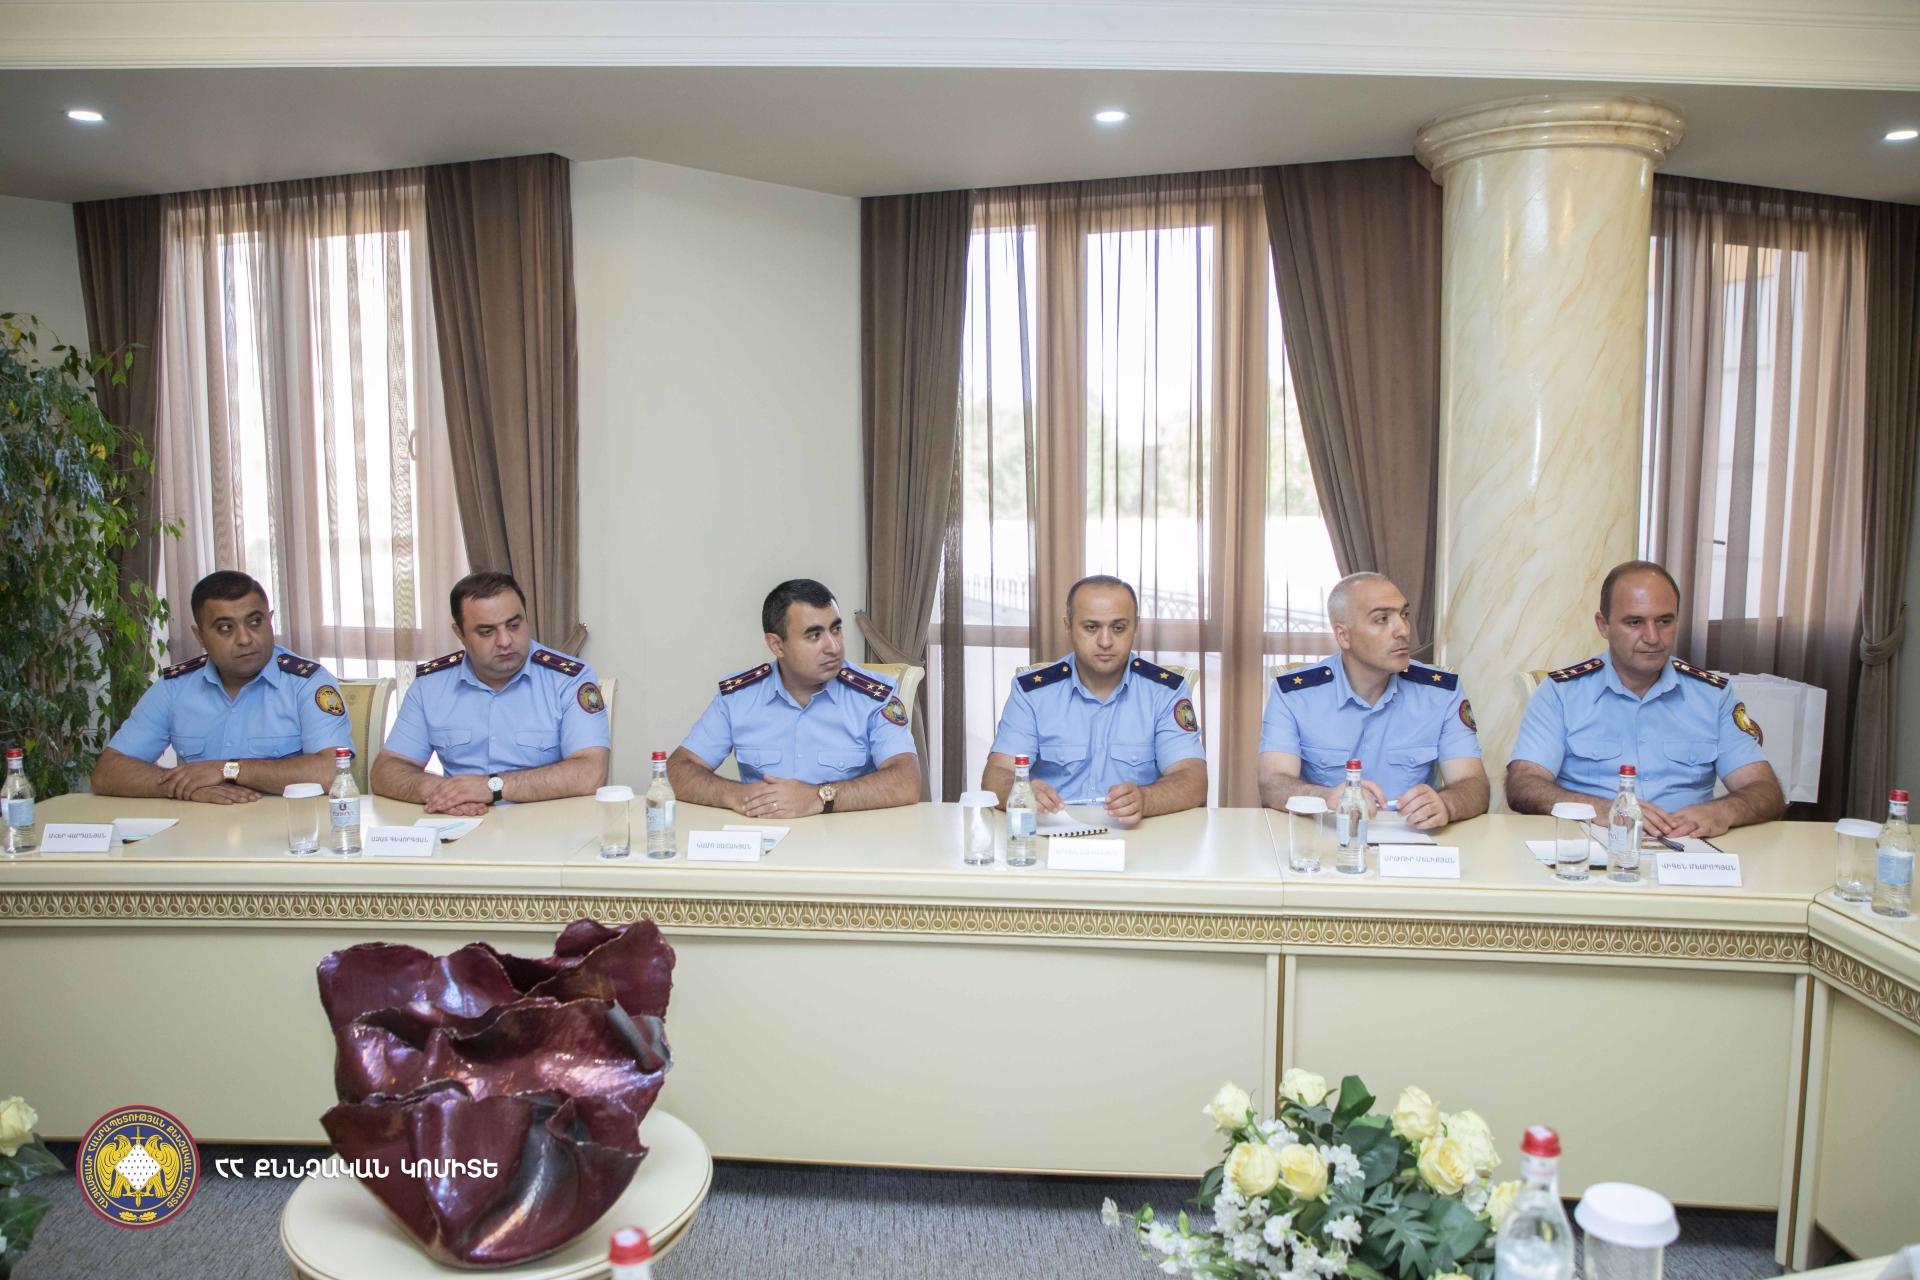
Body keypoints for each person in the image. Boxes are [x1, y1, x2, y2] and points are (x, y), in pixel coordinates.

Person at [1507, 560, 1785, 838]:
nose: (1652, 637)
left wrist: (1723, 811)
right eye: (1635, 622)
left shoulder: (1713, 695)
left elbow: (1765, 790)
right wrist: (1600, 810)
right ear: (1603, 625)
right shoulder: (1561, 692)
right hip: (1589, 844)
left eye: (1664, 621)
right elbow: (1523, 785)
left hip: (1688, 847)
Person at [91, 571, 354, 804]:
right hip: (200, 831)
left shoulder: (307, 682)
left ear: (270, 620)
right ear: (199, 636)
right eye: (226, 628)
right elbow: (108, 772)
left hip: (285, 830)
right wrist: (186, 786)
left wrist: (228, 770)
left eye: (255, 622)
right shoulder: (175, 686)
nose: (245, 639)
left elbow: (333, 773)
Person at [668, 579, 921, 818]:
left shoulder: (875, 695)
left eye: (836, 630)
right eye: (814, 635)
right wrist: (736, 794)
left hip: (848, 840)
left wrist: (819, 797)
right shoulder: (738, 697)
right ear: (776, 645)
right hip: (764, 838)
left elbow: (906, 781)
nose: (833, 647)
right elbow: (678, 769)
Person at [1257, 572, 1488, 831]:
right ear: (1343, 636)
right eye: (1382, 619)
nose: (1403, 630)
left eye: (1404, 615)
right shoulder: (1294, 695)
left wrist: (1447, 804)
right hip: (1325, 838)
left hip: (1415, 842)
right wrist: (1326, 797)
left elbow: (1474, 784)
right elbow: (1272, 784)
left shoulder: (1442, 693)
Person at [371, 571, 609, 816]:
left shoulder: (569, 680)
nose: (504, 641)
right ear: (460, 634)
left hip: (547, 824)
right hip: (461, 823)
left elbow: (590, 773)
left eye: (514, 625)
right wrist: (445, 791)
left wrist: (493, 787)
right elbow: (386, 770)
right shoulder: (430, 684)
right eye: (487, 631)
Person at [981, 575, 1207, 827]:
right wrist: (1021, 793)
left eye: (1118, 628)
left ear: (1136, 626)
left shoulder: (1166, 692)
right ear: (1068, 627)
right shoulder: (1032, 692)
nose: (1105, 642)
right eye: (1091, 627)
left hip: (1137, 836)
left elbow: (1193, 779)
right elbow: (997, 774)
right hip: (1052, 836)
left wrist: (1145, 799)